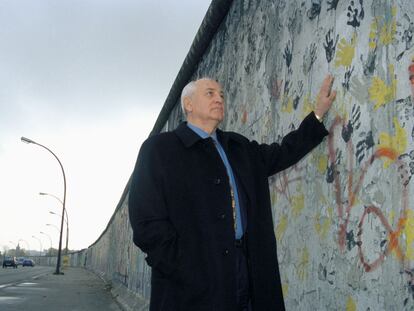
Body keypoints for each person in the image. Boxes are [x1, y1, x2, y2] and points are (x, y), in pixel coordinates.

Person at [128, 75, 336, 311]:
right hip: (190, 279)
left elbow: (282, 153)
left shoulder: (238, 147)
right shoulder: (159, 150)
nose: (219, 98)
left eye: (222, 95)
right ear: (188, 104)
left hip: (244, 267)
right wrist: (182, 267)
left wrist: (317, 115)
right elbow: (146, 220)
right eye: (210, 93)